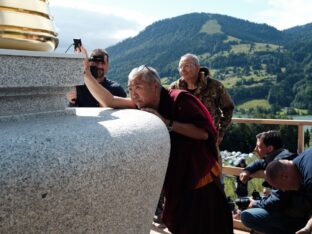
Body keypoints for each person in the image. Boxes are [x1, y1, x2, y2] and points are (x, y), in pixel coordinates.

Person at [82, 48, 233, 233]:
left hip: (199, 176)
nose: (133, 94)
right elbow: (110, 101)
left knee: (205, 225)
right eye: (130, 89)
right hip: (177, 176)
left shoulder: (180, 99)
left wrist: (167, 122)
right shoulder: (144, 104)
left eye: (138, 87)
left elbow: (204, 133)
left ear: (155, 86)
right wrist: (86, 74)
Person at [241, 147, 312, 234]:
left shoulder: (309, 178)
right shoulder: (299, 161)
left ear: (285, 176)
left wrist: (308, 227)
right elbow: (263, 164)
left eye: (280, 186)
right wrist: (248, 169)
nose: (284, 190)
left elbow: (277, 201)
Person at [170, 53, 234, 147]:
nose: (182, 70)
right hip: (182, 142)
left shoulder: (214, 86)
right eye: (180, 67)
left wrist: (220, 132)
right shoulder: (174, 88)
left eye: (187, 66)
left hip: (209, 140)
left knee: (211, 162)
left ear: (197, 67)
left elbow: (228, 108)